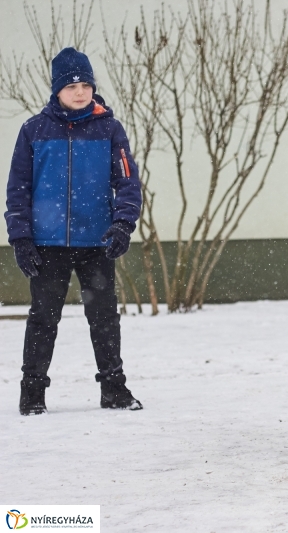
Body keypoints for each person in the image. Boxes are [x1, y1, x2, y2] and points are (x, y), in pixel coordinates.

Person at [4, 47, 143, 415]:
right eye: (71, 86)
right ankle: (32, 393)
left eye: (85, 84)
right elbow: (17, 188)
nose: (80, 92)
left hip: (97, 242)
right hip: (47, 245)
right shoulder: (34, 130)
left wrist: (123, 224)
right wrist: (20, 237)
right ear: (57, 91)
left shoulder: (109, 129)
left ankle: (113, 388)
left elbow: (128, 181)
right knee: (43, 319)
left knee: (104, 317)